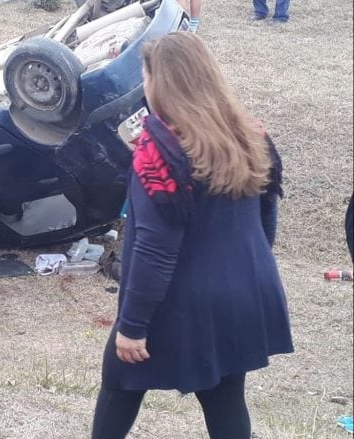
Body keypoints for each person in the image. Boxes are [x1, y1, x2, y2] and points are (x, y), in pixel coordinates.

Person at [90, 32, 293, 438]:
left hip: (182, 297)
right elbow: (265, 221)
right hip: (245, 290)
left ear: (157, 82)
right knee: (225, 397)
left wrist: (132, 325)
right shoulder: (250, 135)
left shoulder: (160, 153)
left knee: (120, 384)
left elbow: (152, 249)